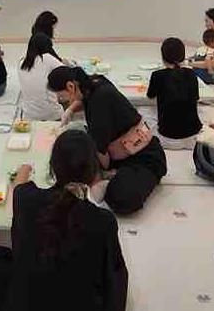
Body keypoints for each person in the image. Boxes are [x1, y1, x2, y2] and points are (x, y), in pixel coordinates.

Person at [0, 130, 128, 311]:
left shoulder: (26, 199)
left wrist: (24, 170)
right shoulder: (103, 221)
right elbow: (114, 276)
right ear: (93, 173)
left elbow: (19, 185)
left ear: (53, 168)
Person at [48, 66, 167, 214]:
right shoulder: (95, 83)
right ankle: (110, 175)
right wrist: (71, 110)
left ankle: (111, 179)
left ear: (71, 86)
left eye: (61, 97)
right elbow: (81, 99)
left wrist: (96, 174)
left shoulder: (98, 108)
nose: (60, 101)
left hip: (144, 158)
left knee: (121, 198)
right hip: (120, 149)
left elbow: (104, 161)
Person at [147, 38, 202, 150]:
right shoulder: (191, 74)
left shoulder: (157, 75)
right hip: (193, 138)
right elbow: (196, 98)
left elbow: (150, 96)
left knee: (143, 111)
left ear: (163, 57)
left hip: (167, 138)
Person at [18, 33, 64, 121]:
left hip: (28, 116)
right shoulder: (48, 58)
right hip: (53, 115)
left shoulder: (21, 62)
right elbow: (67, 74)